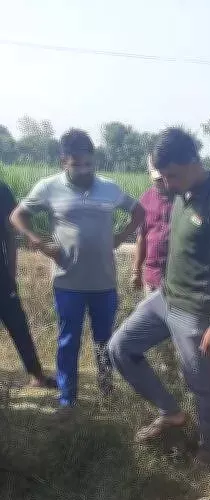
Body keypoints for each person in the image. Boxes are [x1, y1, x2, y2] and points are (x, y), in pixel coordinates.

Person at [108, 128, 210, 468]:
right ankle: (171, 412)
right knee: (119, 349)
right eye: (162, 176)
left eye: (172, 175)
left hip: (197, 313)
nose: (166, 184)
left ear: (194, 162)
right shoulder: (180, 193)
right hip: (165, 299)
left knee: (202, 385)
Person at [10, 129, 144, 413]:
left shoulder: (109, 188)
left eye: (88, 164)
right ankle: (67, 399)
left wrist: (121, 236)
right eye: (77, 164)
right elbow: (17, 215)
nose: (84, 170)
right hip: (67, 281)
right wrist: (36, 240)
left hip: (104, 282)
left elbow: (139, 212)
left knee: (105, 341)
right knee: (68, 341)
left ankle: (107, 392)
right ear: (63, 162)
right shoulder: (48, 187)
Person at [0, 180, 55, 389]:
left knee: (18, 324)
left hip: (2, 277)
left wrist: (11, 273)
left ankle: (37, 376)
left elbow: (9, 236)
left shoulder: (2, 190)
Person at [132, 155, 174, 295]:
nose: (160, 182)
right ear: (149, 175)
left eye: (162, 178)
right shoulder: (145, 199)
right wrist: (136, 270)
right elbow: (141, 237)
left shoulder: (183, 198)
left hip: (177, 278)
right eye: (157, 179)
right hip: (152, 276)